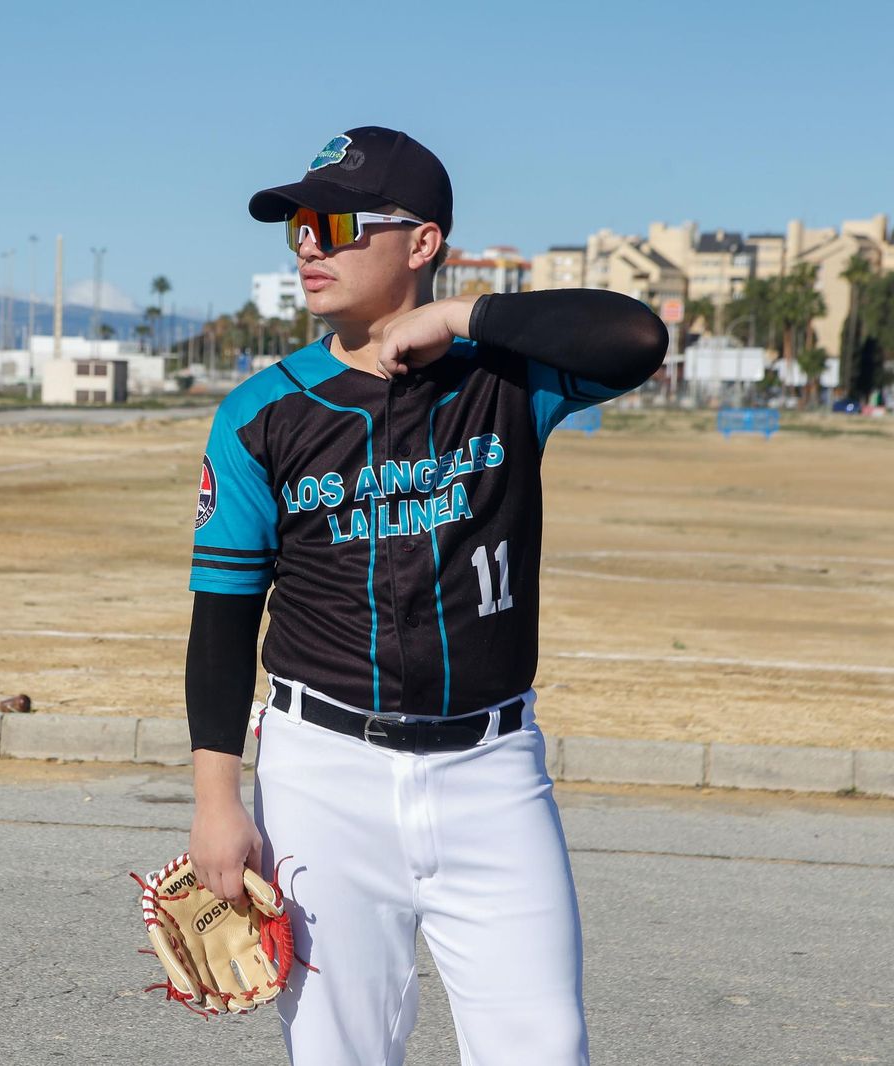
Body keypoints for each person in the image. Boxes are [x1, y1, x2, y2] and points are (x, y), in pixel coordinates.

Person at [185, 126, 666, 1065]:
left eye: (332, 222)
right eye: (296, 229)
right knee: (341, 1055)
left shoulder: (506, 380)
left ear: (422, 242)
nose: (308, 246)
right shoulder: (259, 414)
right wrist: (217, 801)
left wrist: (459, 321)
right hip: (321, 773)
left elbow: (636, 338)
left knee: (543, 1049)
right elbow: (223, 619)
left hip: (493, 775)